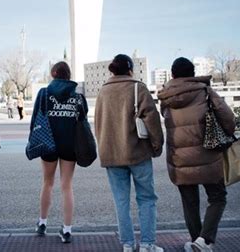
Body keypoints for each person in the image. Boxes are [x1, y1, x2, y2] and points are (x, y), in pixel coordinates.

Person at [157, 57, 236, 252]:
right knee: (217, 197)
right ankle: (204, 240)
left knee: (190, 203)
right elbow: (229, 120)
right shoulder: (205, 91)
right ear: (193, 74)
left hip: (180, 160)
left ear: (173, 74)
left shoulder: (165, 98)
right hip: (209, 155)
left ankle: (197, 241)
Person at [95, 54, 164, 252]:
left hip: (112, 155)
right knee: (146, 198)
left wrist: (104, 148)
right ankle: (147, 244)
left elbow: (99, 123)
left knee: (121, 201)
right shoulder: (137, 88)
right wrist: (157, 145)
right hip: (138, 153)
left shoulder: (103, 91)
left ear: (112, 70)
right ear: (130, 69)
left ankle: (127, 244)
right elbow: (152, 119)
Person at [30, 61, 88, 244]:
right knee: (66, 186)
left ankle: (42, 223)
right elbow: (83, 121)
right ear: (68, 75)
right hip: (70, 145)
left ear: (53, 74)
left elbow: (35, 119)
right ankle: (67, 229)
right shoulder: (78, 97)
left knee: (47, 182)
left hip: (48, 143)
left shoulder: (44, 93)